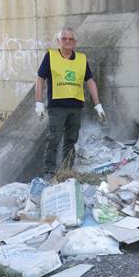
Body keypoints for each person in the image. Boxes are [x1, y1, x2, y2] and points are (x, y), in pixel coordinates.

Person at [35, 27, 106, 178]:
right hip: (57, 107)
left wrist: (98, 105)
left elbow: (90, 81)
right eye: (64, 38)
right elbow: (40, 78)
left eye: (70, 39)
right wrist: (39, 102)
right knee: (53, 138)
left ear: (75, 42)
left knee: (71, 140)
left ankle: (66, 170)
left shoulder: (81, 59)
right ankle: (48, 171)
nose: (67, 41)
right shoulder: (51, 56)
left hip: (76, 107)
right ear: (58, 41)